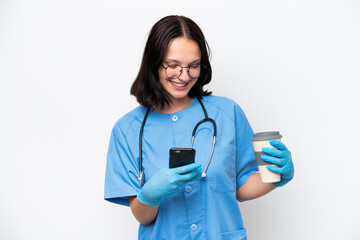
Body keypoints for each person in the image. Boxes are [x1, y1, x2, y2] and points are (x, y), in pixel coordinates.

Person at [104, 15, 294, 240]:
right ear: (153, 62)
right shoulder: (127, 130)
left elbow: (241, 188)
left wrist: (277, 175)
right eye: (173, 66)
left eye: (193, 66)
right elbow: (143, 216)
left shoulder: (227, 113)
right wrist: (149, 196)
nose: (184, 76)